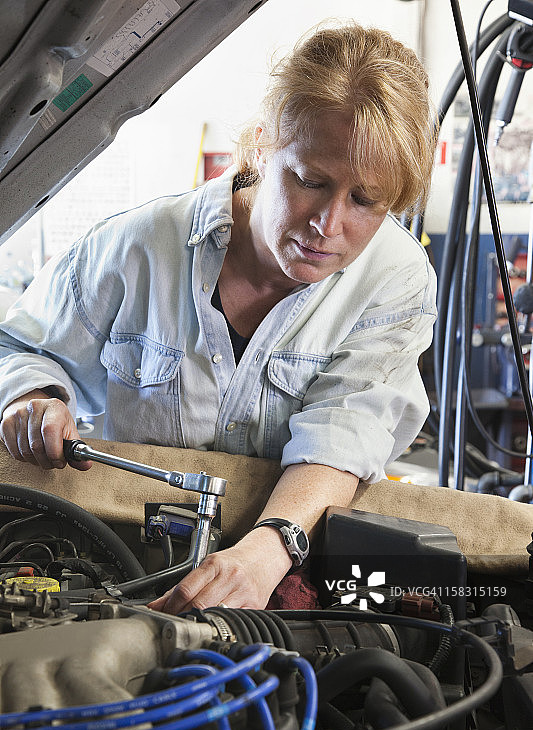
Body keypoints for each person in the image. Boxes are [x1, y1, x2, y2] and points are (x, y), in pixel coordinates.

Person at [0, 22, 437, 613]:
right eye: (311, 181)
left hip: (284, 562)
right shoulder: (137, 247)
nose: (328, 225)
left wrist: (268, 549)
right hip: (119, 561)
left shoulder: (394, 277)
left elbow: (347, 431)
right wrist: (35, 396)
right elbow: (19, 347)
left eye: (364, 201)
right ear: (262, 146)